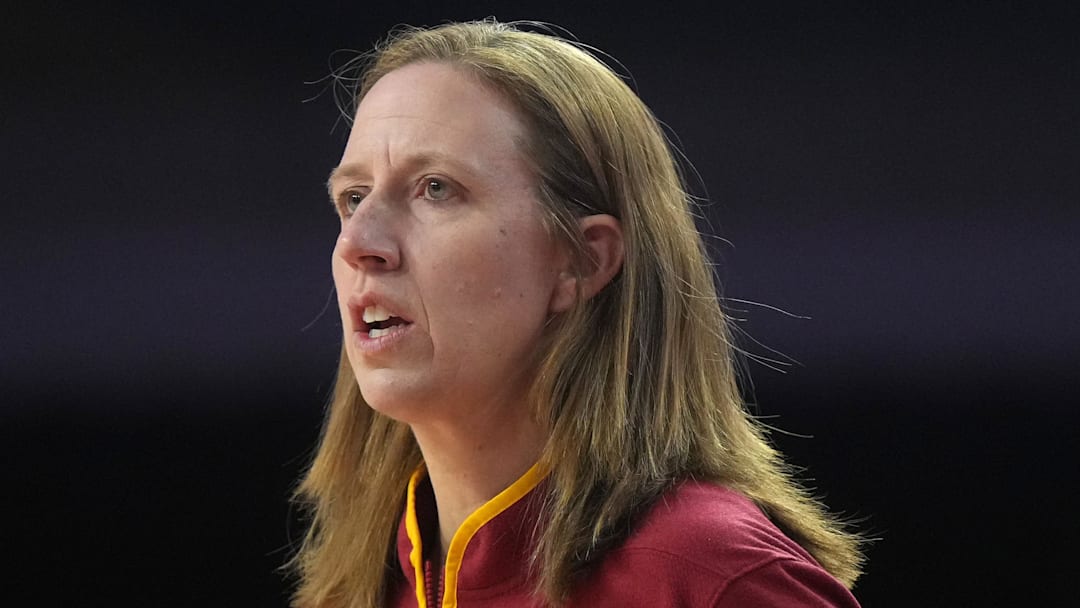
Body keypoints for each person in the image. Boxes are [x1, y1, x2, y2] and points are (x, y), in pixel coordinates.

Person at [291, 19, 865, 608]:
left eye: (436, 188)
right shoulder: (358, 586)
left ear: (582, 261)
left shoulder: (712, 579)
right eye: (353, 197)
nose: (358, 241)